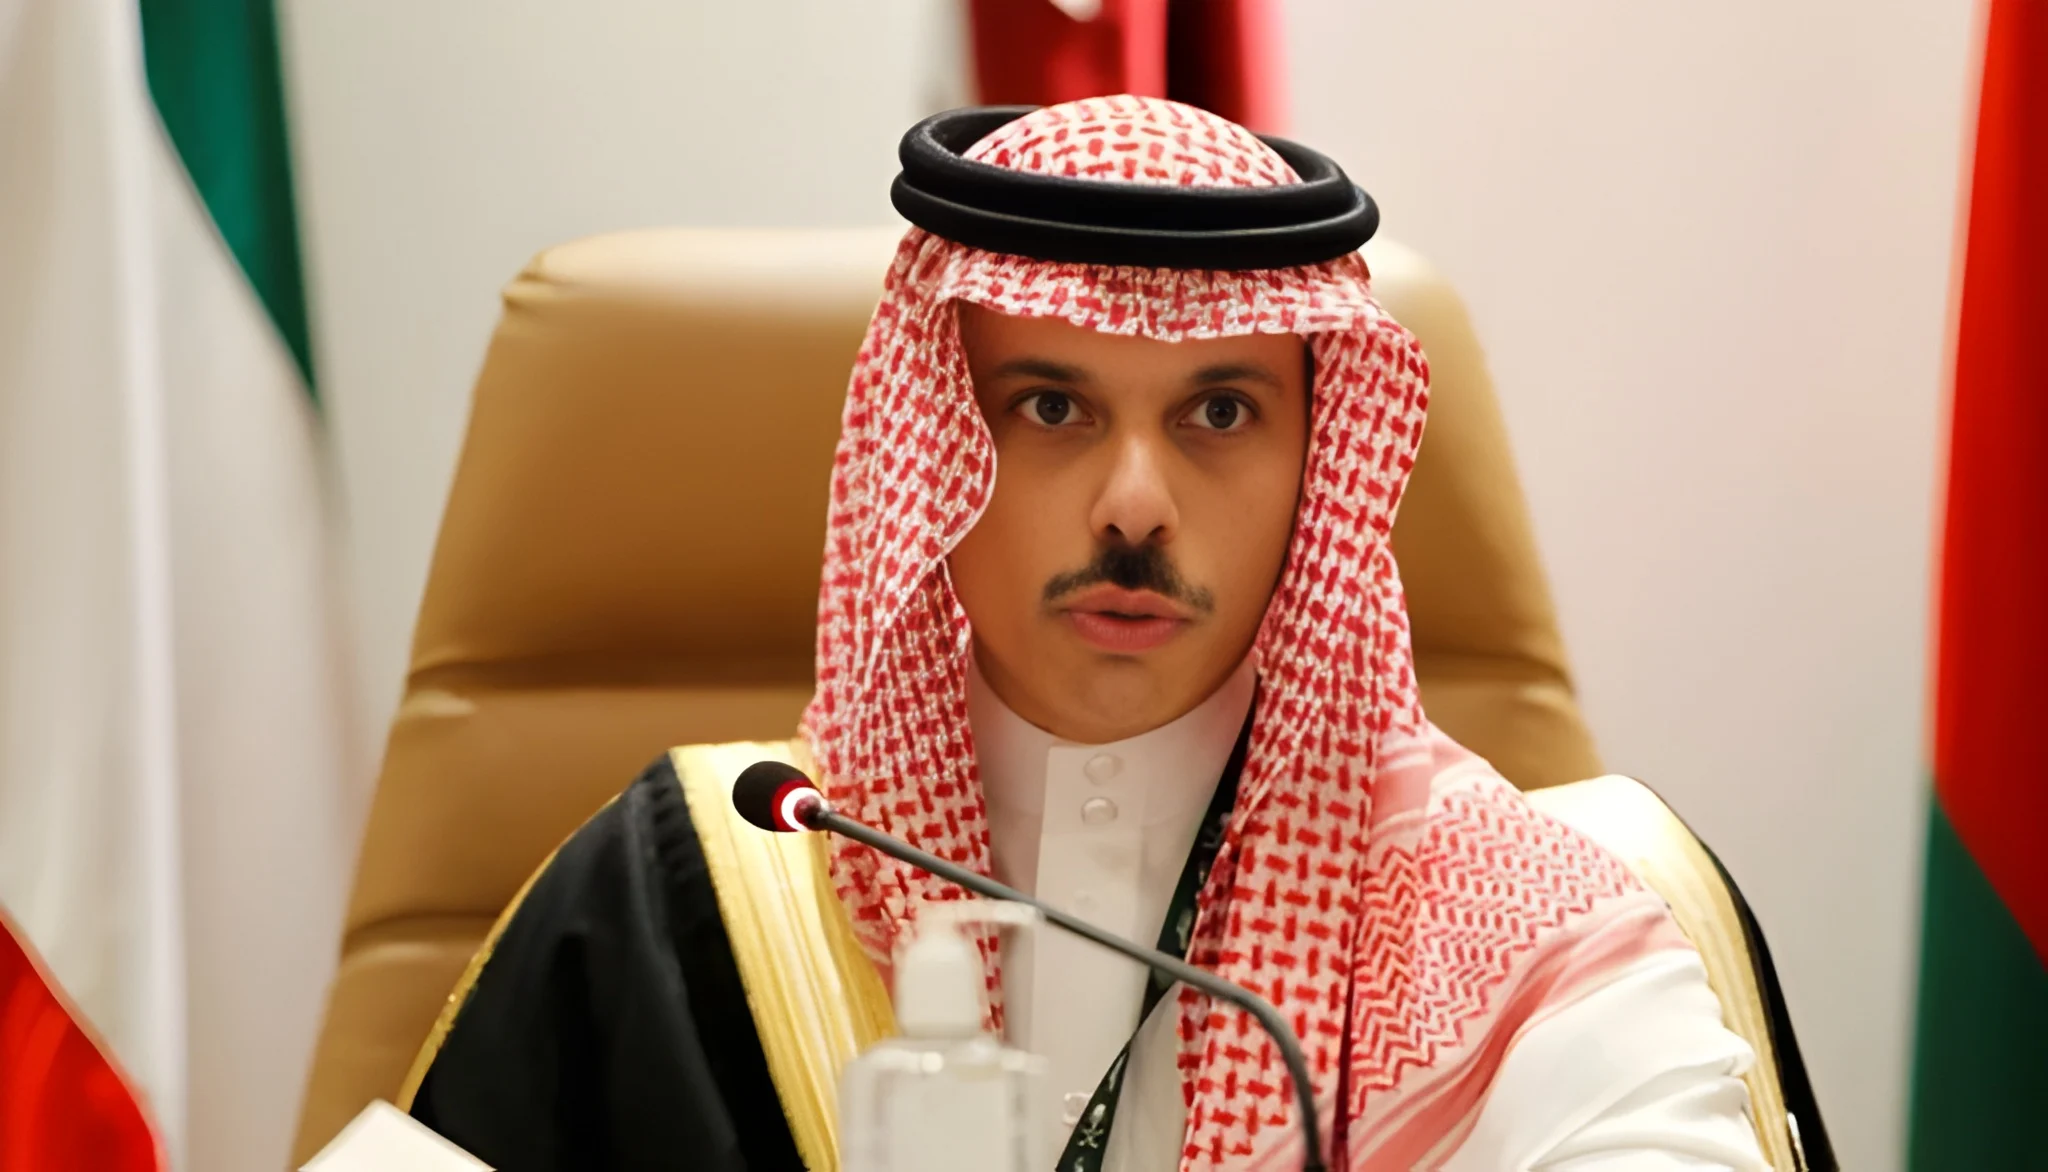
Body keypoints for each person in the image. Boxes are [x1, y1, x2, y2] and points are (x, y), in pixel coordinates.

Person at [400, 96, 1769, 1171]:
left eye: (1219, 412)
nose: (1135, 505)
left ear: (1318, 465)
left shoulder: (1517, 928)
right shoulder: (696, 890)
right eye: (1051, 408)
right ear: (932, 442)